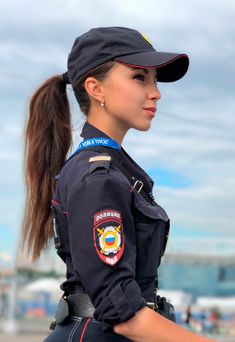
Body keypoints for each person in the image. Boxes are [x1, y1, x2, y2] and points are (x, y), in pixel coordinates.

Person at [22, 27, 215, 342]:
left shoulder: (113, 172)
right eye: (139, 78)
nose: (155, 92)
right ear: (96, 89)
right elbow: (122, 315)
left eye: (154, 79)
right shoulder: (98, 178)